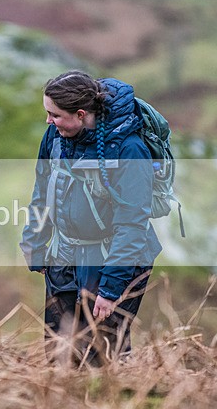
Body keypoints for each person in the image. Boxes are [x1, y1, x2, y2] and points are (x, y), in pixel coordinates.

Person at [20, 70, 162, 365]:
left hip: (115, 262)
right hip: (65, 256)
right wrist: (35, 243)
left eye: (55, 115)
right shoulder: (55, 137)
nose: (49, 121)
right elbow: (42, 189)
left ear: (81, 114)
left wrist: (110, 291)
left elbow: (132, 224)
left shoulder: (130, 149)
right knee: (60, 354)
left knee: (99, 357)